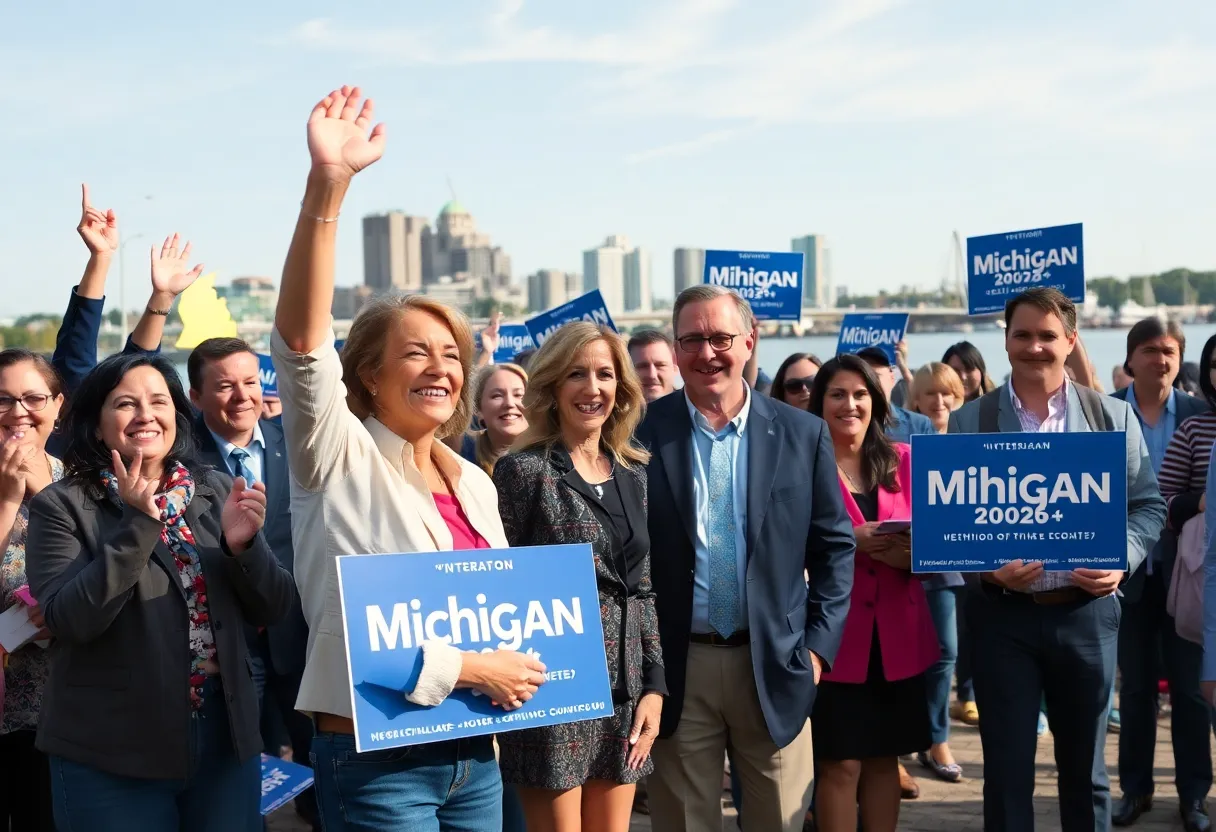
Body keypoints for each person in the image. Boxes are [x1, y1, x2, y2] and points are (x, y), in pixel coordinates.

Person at [270, 85, 545, 831]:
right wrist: (328, 187)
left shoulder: (477, 485)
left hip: (473, 756)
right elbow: (300, 347)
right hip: (375, 759)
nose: (440, 367)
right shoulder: (336, 457)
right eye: (415, 352)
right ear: (365, 373)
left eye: (452, 354)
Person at [25, 352, 296, 831]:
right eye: (126, 404)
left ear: (177, 414)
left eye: (159, 401)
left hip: (224, 737)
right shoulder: (63, 506)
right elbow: (71, 619)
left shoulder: (213, 488)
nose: (146, 415)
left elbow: (274, 606)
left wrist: (245, 548)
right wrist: (140, 524)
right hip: (111, 746)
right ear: (96, 423)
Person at [635, 284, 855, 832]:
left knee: (780, 819)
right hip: (678, 669)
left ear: (750, 340)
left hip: (778, 664)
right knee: (685, 823)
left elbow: (834, 549)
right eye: (690, 340)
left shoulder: (803, 434)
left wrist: (818, 653)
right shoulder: (640, 434)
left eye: (720, 337)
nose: (707, 353)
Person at [948, 287, 1165, 831]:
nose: (1035, 347)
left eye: (1048, 336)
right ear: (1005, 340)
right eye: (1022, 335)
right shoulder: (969, 421)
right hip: (1003, 619)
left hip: (1086, 617)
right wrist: (985, 567)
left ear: (1070, 340)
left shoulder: (1112, 417)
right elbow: (951, 527)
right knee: (1006, 772)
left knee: (1087, 776)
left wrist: (1123, 560)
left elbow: (1147, 507)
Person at [492, 322, 665, 831]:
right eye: (577, 375)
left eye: (605, 375)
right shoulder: (523, 471)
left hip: (626, 693)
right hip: (556, 692)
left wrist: (653, 687)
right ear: (552, 385)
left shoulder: (633, 472)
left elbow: (643, 587)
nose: (593, 389)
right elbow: (503, 587)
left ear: (621, 387)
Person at [186, 337, 318, 830]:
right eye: (224, 386)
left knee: (316, 760)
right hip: (224, 643)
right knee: (237, 773)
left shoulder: (298, 443)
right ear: (196, 397)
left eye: (249, 382)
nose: (242, 396)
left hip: (299, 632)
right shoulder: (180, 458)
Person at [808, 355, 937, 832]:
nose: (850, 404)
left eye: (860, 394)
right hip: (835, 640)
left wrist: (912, 559)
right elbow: (781, 546)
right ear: (820, 403)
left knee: (885, 760)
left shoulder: (905, 460)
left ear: (876, 401)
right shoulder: (800, 465)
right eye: (837, 394)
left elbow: (943, 542)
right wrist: (849, 540)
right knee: (839, 764)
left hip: (899, 638)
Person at [1109, 319, 1212, 831]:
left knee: (1191, 690)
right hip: (1122, 575)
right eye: (1150, 350)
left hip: (1184, 575)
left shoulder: (1198, 415)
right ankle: (1135, 790)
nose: (1162, 360)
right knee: (1136, 689)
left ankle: (1193, 796)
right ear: (1131, 357)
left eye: (1170, 350)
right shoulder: (1102, 411)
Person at [0, 350, 66, 832]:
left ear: (58, 406)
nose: (18, 412)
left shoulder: (85, 483)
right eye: (2, 400)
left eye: (33, 398)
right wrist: (7, 497)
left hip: (58, 706)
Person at [907, 362, 967, 783]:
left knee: (945, 652)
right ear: (916, 400)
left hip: (949, 567)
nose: (940, 401)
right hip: (906, 561)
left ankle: (935, 737)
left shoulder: (970, 440)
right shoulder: (899, 440)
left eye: (948, 393)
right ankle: (901, 739)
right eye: (931, 393)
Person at [854, 347, 933, 445]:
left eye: (876, 376)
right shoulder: (844, 425)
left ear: (892, 378)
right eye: (864, 377)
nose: (871, 382)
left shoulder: (919, 426)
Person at [459, 363, 528, 474]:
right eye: (497, 396)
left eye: (518, 395)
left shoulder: (553, 455)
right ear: (478, 410)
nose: (510, 403)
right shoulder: (463, 450)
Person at [628, 330, 680, 403]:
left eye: (660, 365)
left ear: (675, 368)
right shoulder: (616, 412)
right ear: (627, 371)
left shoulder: (693, 411)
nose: (652, 375)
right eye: (643, 366)